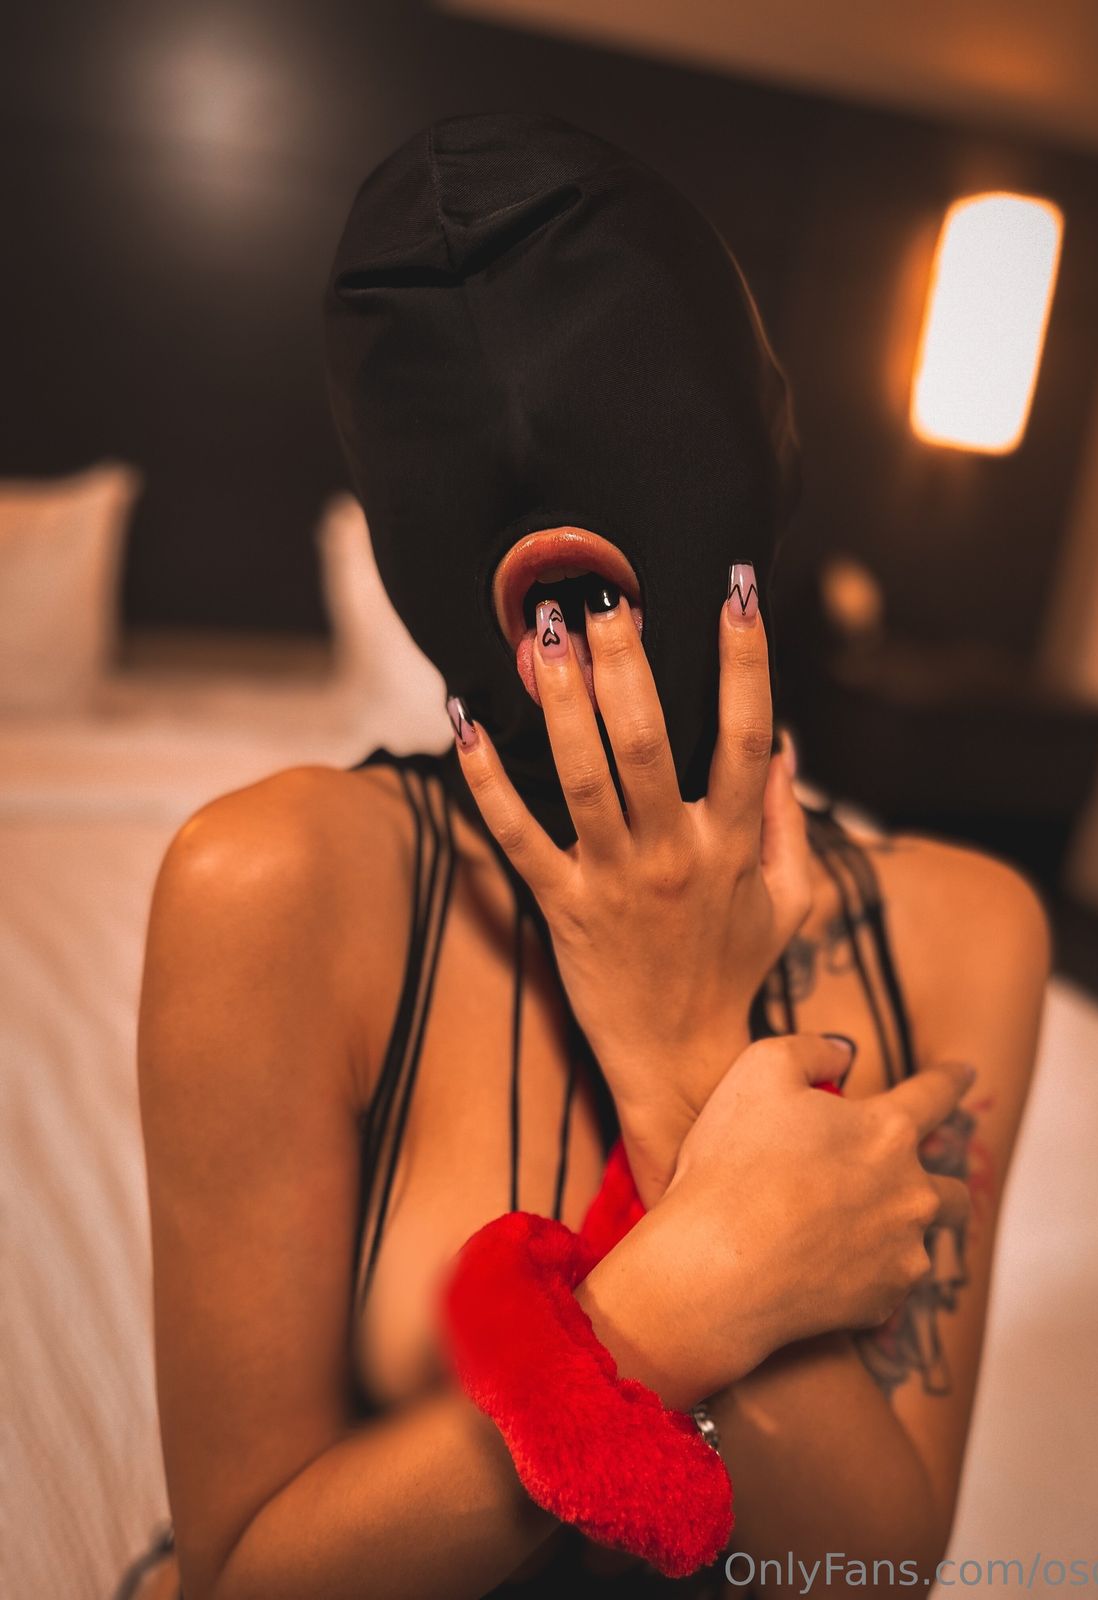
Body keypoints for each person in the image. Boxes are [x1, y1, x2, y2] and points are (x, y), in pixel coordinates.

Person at [122, 113, 1049, 1600]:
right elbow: (245, 1579)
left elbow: (874, 1574)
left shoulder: (968, 928)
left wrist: (684, 1054)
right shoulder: (275, 887)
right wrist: (670, 1314)